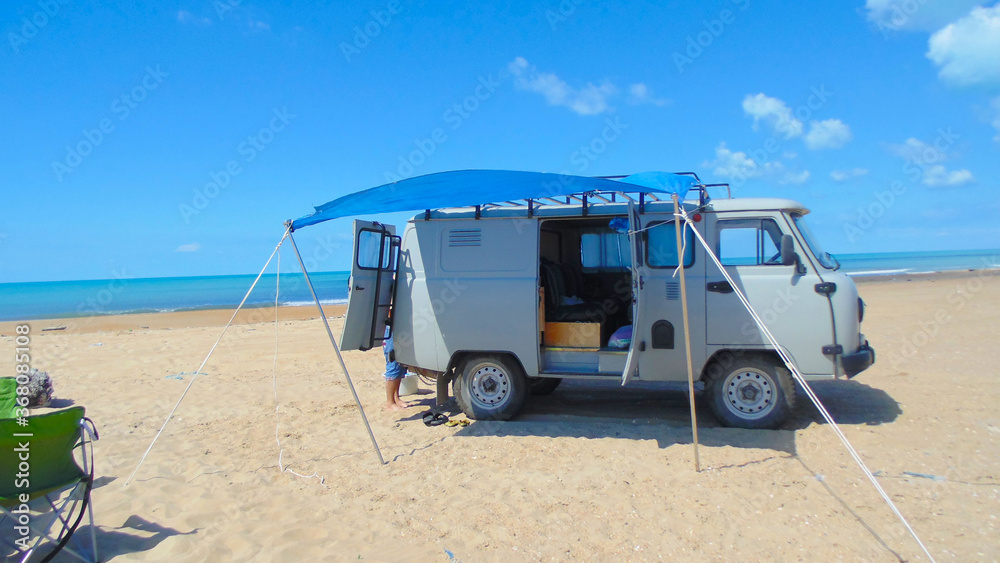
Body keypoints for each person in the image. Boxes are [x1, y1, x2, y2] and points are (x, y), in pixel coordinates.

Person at [383, 324, 411, 411]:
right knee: (393, 366)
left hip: (400, 330)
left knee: (400, 368)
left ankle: (396, 398)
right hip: (392, 332)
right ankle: (390, 403)